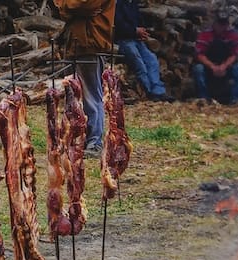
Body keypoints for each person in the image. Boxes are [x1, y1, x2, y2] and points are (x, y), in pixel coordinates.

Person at [55, 0, 116, 157]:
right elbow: (63, 10)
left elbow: (85, 5)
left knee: (91, 95)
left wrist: (66, 6)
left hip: (91, 44)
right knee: (73, 96)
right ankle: (77, 138)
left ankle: (94, 142)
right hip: (75, 44)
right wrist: (69, 8)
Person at [113, 0, 172, 102]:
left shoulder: (132, 3)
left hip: (136, 39)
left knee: (152, 59)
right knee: (139, 63)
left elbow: (139, 21)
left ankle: (159, 91)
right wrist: (134, 31)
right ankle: (149, 92)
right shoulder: (117, 4)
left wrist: (142, 32)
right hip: (123, 40)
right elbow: (118, 25)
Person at [192, 7, 238, 105]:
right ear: (215, 23)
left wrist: (224, 66)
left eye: (224, 24)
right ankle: (203, 98)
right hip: (209, 66)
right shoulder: (205, 34)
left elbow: (236, 54)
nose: (222, 27)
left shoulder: (233, 35)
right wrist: (212, 66)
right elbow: (199, 54)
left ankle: (235, 99)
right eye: (220, 24)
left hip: (227, 67)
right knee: (198, 69)